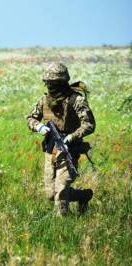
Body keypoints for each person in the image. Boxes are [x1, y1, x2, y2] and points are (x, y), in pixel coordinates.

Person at [27, 62, 96, 216]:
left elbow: (89, 124)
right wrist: (38, 127)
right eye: (48, 83)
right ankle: (84, 196)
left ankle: (62, 228)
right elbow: (31, 118)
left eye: (54, 83)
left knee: (61, 190)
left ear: (62, 82)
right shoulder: (43, 101)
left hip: (69, 150)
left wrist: (72, 136)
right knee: (51, 194)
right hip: (50, 150)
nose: (50, 86)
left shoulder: (76, 100)